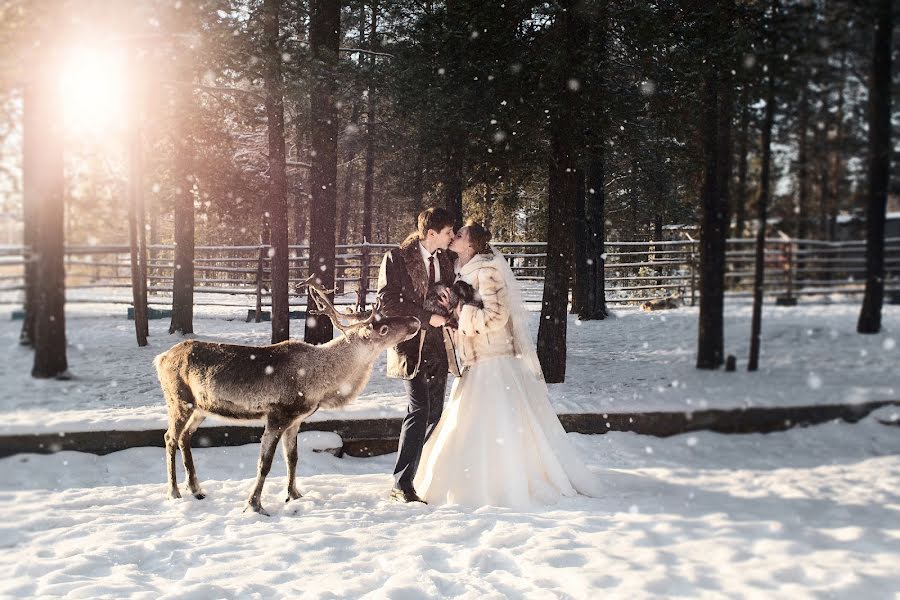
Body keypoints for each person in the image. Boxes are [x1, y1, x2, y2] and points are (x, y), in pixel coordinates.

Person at [413, 221, 602, 509]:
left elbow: (497, 316)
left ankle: (505, 480)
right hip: (476, 359)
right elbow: (470, 310)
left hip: (493, 359)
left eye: (460, 234)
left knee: (494, 420)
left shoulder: (487, 271)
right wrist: (452, 315)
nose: (455, 237)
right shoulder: (463, 271)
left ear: (471, 245)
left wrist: (463, 318)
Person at [376, 207, 459, 503]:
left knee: (434, 414)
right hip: (410, 344)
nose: (452, 236)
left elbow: (450, 294)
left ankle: (415, 473)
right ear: (431, 233)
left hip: (439, 345)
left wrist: (452, 307)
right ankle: (402, 484)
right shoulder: (396, 258)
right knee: (419, 409)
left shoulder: (446, 260)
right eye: (448, 231)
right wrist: (426, 318)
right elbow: (387, 303)